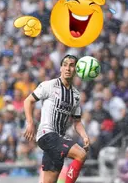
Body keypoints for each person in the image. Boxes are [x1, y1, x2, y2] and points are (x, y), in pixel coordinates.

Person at [23, 54, 89, 183]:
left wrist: (85, 136)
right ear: (60, 68)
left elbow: (77, 121)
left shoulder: (75, 95)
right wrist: (30, 123)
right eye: (65, 65)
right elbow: (28, 101)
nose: (68, 68)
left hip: (58, 141)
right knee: (81, 154)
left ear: (76, 69)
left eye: (71, 65)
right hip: (47, 135)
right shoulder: (49, 85)